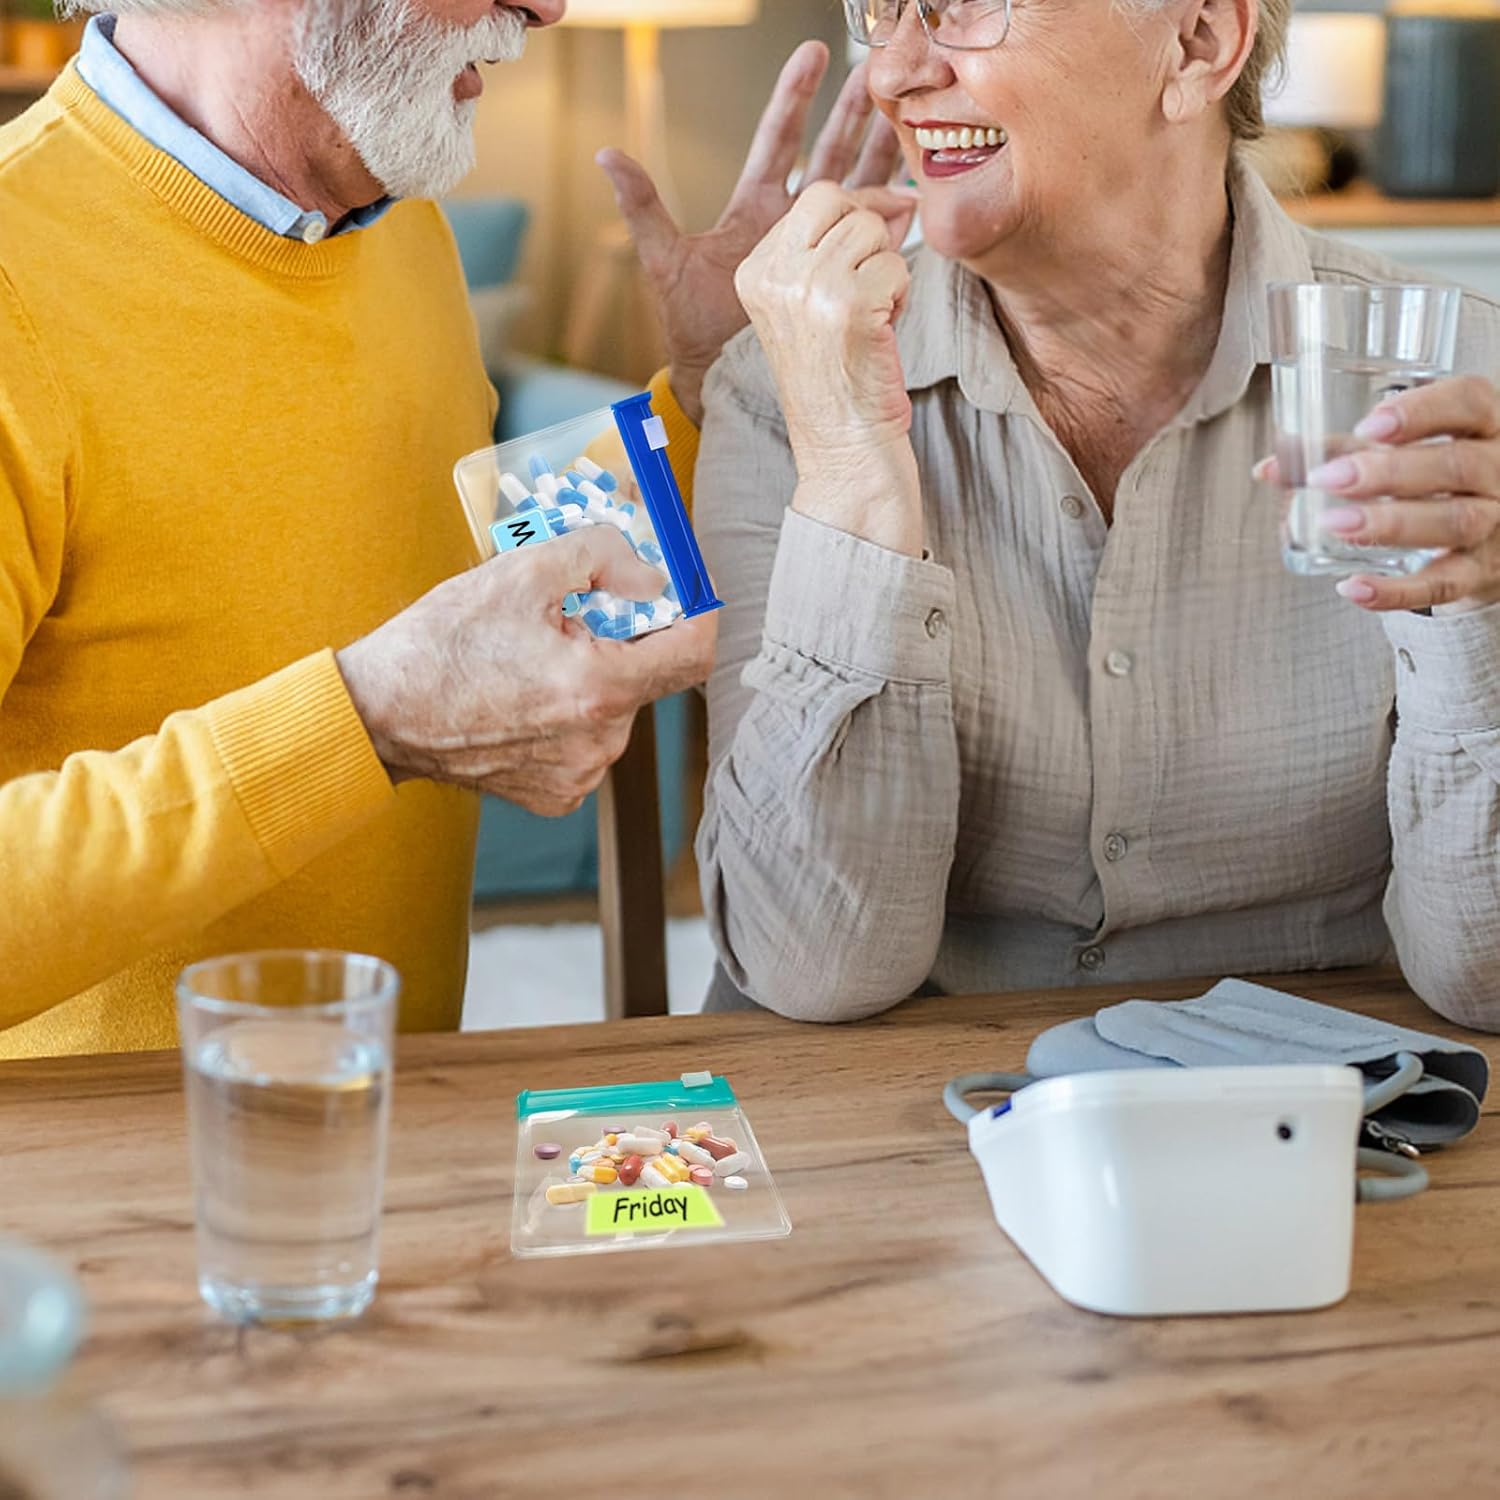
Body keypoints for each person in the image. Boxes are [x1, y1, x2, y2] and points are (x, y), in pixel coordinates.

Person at [0, 0, 891, 1057]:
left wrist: (695, 399)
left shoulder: (392, 214)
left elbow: (480, 600)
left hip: (385, 1133)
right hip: (96, 1200)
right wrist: (366, 721)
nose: (547, 6)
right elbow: (399, 680)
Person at [690, 0, 1500, 1029]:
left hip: (1332, 1111)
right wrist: (851, 470)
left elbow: (1486, 975)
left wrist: (1479, 621)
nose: (891, 73)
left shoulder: (1461, 382)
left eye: (963, 6)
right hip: (910, 1125)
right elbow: (810, 963)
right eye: (882, 8)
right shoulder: (782, 388)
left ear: (1200, 40)